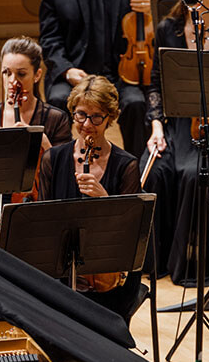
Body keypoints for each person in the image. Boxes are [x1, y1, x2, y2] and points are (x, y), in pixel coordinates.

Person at [141, 0, 209, 283]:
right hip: (175, 124)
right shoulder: (168, 29)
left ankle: (193, 263)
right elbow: (155, 83)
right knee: (152, 169)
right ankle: (155, 261)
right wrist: (156, 126)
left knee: (193, 174)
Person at [36, 75, 145, 320]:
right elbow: (43, 221)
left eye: (96, 117)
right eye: (81, 115)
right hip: (62, 268)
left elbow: (131, 232)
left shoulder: (126, 165)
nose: (87, 124)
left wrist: (104, 198)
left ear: (110, 118)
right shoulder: (53, 159)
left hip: (109, 271)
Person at [0, 36, 71, 240]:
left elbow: (64, 172)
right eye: (7, 73)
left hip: (37, 207)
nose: (12, 81)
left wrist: (42, 142)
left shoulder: (55, 119)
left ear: (37, 75)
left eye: (21, 74)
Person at [39, 0, 149, 158]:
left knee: (136, 103)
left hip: (121, 73)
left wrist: (151, 10)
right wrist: (67, 70)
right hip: (74, 73)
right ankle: (57, 165)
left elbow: (164, 18)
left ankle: (136, 168)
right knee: (58, 99)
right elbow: (49, 40)